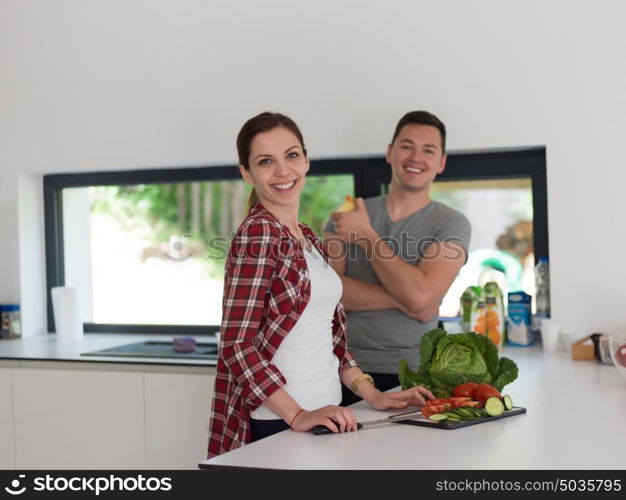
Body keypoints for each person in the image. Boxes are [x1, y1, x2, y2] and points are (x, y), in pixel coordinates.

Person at [207, 112, 434, 458]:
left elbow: (330, 337)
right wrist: (297, 414)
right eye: (266, 161)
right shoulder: (258, 233)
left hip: (327, 411)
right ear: (246, 173)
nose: (283, 171)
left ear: (306, 160)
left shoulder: (307, 236)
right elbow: (237, 344)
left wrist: (373, 396)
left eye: (292, 155)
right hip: (281, 420)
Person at [323, 111, 472, 405]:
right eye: (407, 146)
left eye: (428, 150)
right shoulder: (346, 215)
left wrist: (366, 236)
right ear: (390, 153)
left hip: (414, 373)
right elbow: (328, 294)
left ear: (441, 162)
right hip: (345, 371)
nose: (416, 157)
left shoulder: (452, 224)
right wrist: (408, 299)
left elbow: (421, 299)